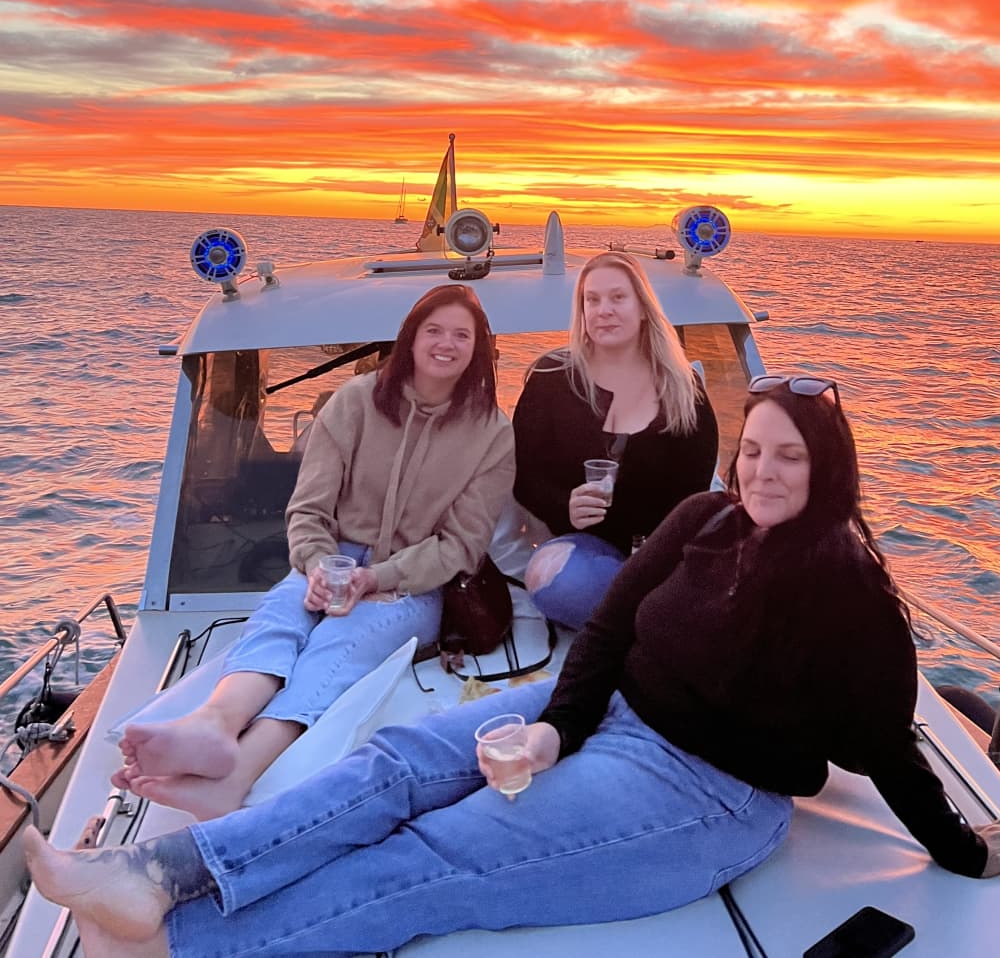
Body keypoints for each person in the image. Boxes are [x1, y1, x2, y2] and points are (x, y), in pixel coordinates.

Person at [29, 374, 999, 957]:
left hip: (707, 793)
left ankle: (187, 943)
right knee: (395, 764)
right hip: (605, 711)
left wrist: (959, 847)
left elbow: (883, 739)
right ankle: (162, 869)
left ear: (828, 465)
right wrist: (553, 726)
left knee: (437, 853)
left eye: (785, 456)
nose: (758, 471)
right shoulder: (705, 520)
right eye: (749, 450)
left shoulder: (849, 591)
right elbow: (613, 626)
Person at [111, 283, 515, 820]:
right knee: (281, 618)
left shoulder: (492, 432)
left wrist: (381, 579)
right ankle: (213, 724)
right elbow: (308, 509)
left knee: (339, 646)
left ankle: (237, 773)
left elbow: (462, 545)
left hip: (414, 581)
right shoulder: (356, 402)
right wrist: (320, 565)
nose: (446, 344)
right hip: (336, 555)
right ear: (410, 337)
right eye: (433, 330)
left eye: (461, 335)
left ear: (478, 349)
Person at [515, 250, 718, 627]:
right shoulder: (551, 377)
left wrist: (657, 558)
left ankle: (640, 618)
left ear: (643, 307)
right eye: (592, 300)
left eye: (617, 298)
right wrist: (564, 506)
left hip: (660, 559)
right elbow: (523, 473)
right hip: (580, 552)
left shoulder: (684, 391)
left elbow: (695, 497)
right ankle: (643, 623)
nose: (603, 309)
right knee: (554, 579)